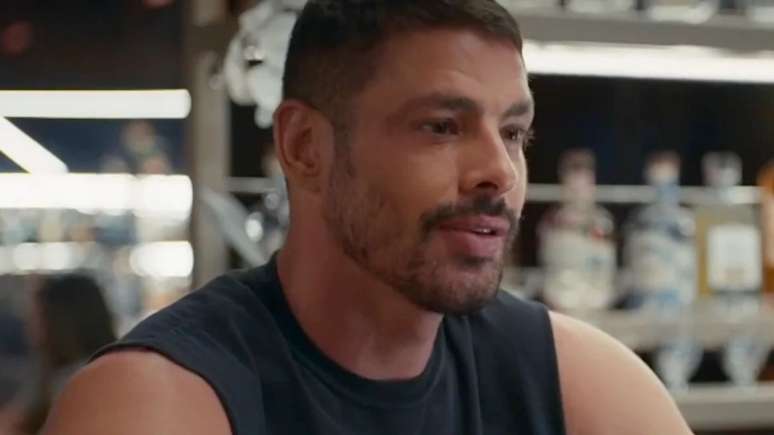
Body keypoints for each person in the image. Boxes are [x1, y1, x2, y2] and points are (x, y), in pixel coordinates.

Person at [43, 1, 694, 434]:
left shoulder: (571, 380)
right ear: (305, 147)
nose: (500, 172)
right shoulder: (159, 401)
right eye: (441, 126)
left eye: (514, 133)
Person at [2, 274, 115, 435]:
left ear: (59, 322)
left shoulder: (75, 382)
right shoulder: (49, 373)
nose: (29, 326)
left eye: (37, 317)